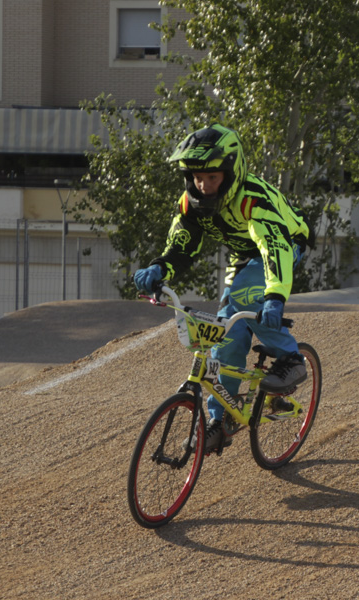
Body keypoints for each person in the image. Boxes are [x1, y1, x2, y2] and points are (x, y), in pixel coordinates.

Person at [133, 123, 311, 454]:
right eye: (197, 178)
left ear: (232, 171)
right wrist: (159, 268)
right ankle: (220, 421)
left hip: (285, 243)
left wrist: (274, 297)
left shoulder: (252, 199)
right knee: (226, 336)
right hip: (245, 257)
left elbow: (274, 249)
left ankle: (291, 359)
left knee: (247, 297)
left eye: (212, 177)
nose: (204, 186)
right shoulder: (192, 203)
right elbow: (182, 246)